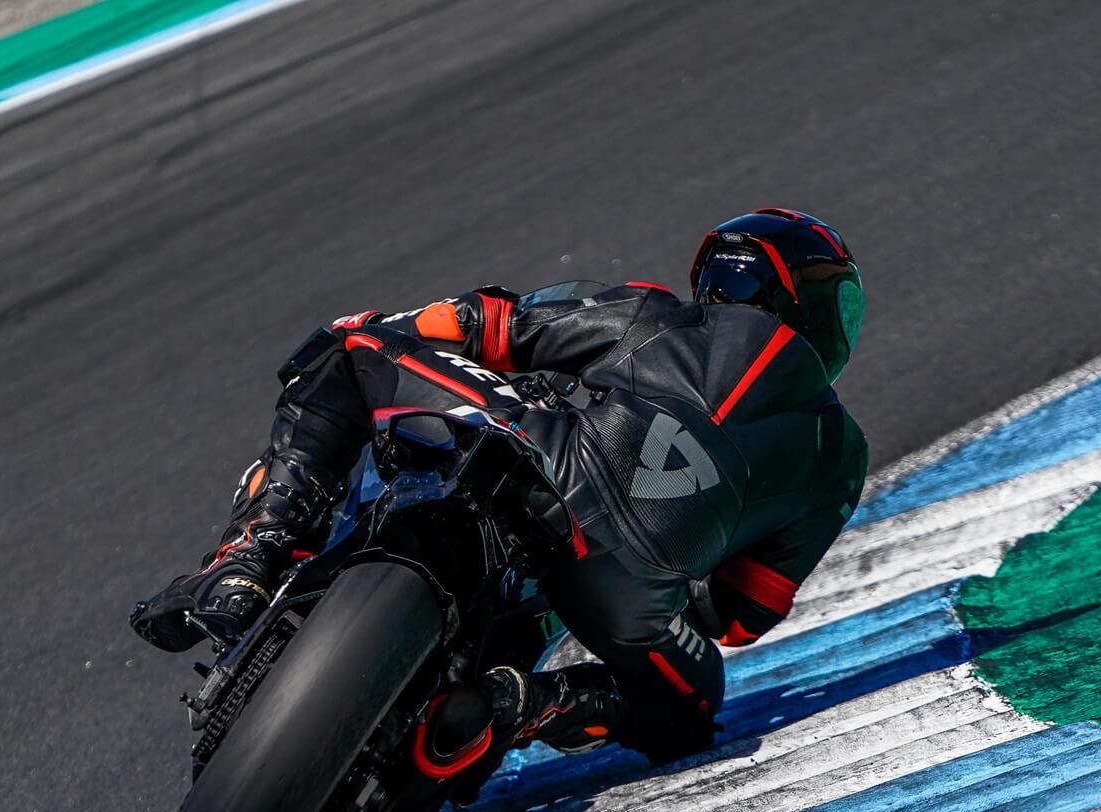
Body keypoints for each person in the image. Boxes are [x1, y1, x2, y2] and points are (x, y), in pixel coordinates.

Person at [131, 208, 868, 775]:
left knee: (351, 345)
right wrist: (686, 548)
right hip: (626, 593)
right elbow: (737, 620)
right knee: (690, 711)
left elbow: (485, 323)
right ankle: (524, 705)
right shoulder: (840, 454)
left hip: (543, 464)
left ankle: (248, 560)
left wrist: (412, 336)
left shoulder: (654, 313)